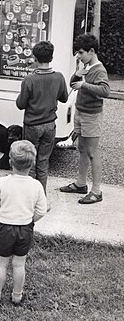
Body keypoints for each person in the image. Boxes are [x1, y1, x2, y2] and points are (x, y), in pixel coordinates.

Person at [0, 140, 47, 306]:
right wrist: (29, 221)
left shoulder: (2, 182)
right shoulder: (36, 185)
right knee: (19, 264)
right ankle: (16, 296)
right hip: (24, 229)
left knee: (1, 264)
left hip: (3, 227)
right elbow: (42, 210)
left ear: (10, 162)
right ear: (32, 164)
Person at [60, 34, 110, 205]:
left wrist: (84, 84)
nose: (78, 56)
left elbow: (105, 91)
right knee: (82, 148)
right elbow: (73, 84)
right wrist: (76, 75)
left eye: (81, 53)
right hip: (81, 113)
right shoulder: (87, 68)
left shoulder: (99, 69)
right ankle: (81, 184)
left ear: (91, 51)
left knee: (92, 152)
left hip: (92, 115)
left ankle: (97, 191)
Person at [16, 41, 68, 193]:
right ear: (51, 57)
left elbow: (21, 104)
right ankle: (41, 197)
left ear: (34, 58)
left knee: (30, 162)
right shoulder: (58, 77)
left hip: (32, 125)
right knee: (43, 162)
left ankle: (29, 196)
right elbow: (64, 98)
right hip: (50, 124)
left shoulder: (29, 80)